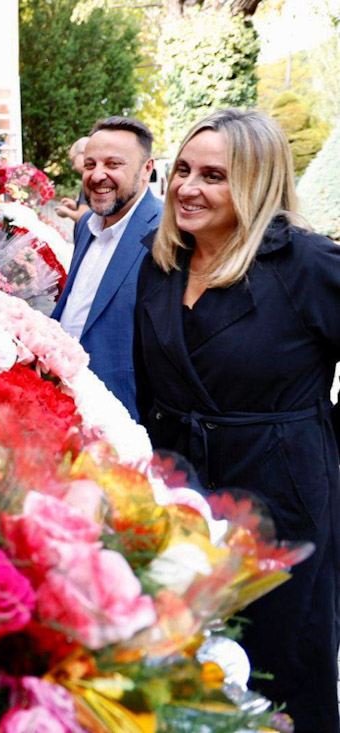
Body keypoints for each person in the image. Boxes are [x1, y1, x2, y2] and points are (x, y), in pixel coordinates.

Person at [134, 109, 340, 732]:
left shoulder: (307, 264)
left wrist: (320, 446)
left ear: (255, 182)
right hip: (183, 492)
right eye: (184, 170)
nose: (187, 188)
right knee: (186, 659)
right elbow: (152, 380)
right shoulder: (161, 259)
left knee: (280, 668)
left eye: (214, 176)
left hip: (280, 495)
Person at [51, 117, 162, 419]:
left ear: (146, 170)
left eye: (113, 164)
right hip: (65, 405)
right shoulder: (86, 224)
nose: (97, 175)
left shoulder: (168, 234)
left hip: (126, 419)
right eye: (90, 165)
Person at [53, 136, 91, 224]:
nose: (73, 167)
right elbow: (92, 212)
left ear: (83, 154)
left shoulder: (90, 179)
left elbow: (83, 217)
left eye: (72, 161)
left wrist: (66, 211)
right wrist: (76, 205)